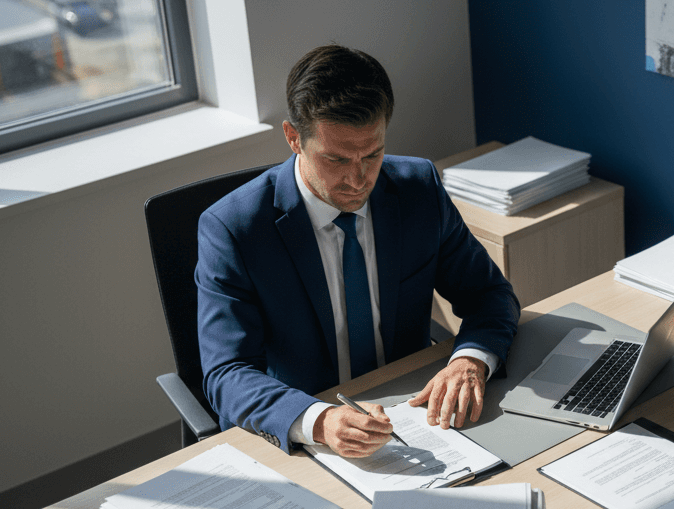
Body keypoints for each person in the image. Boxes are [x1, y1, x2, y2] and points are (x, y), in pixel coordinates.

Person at [196, 45, 519, 458]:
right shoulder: (233, 229)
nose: (358, 179)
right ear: (294, 138)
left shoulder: (418, 188)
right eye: (336, 159)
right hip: (308, 431)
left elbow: (489, 294)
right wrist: (319, 420)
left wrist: (470, 360)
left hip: (416, 416)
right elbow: (226, 374)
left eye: (373, 154)